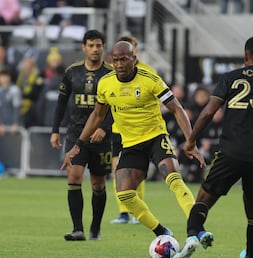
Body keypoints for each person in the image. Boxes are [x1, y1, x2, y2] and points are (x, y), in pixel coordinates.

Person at [171, 35, 253, 258]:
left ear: (245, 57)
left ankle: (193, 235)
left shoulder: (230, 78)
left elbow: (208, 112)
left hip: (231, 152)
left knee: (203, 198)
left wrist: (191, 140)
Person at [62, 41, 205, 238]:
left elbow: (177, 108)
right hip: (131, 144)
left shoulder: (150, 79)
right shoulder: (105, 83)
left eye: (124, 59)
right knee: (125, 194)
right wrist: (78, 144)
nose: (119, 64)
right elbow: (97, 115)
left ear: (134, 59)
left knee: (172, 177)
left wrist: (191, 141)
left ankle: (197, 228)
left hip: (155, 137)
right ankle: (162, 232)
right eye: (116, 60)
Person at [50, 29, 113, 241]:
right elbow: (61, 103)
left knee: (98, 183)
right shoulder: (72, 72)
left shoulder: (112, 74)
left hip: (101, 137)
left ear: (103, 47)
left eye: (98, 45)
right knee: (74, 176)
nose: (95, 49)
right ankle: (78, 229)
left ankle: (96, 228)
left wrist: (104, 127)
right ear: (84, 47)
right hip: (76, 134)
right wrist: (55, 130)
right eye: (91, 45)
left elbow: (118, 106)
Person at [109, 34, 156, 225]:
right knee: (117, 169)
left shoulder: (147, 71)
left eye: (133, 46)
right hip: (117, 129)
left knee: (137, 171)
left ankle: (138, 210)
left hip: (140, 131)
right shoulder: (113, 73)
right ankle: (123, 213)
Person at [0, 66, 22, 135]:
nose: (4, 78)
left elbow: (17, 108)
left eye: (6, 76)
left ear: (9, 77)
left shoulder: (15, 90)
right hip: (3, 127)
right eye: (2, 76)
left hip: (13, 127)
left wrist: (15, 123)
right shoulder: (0, 90)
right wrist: (0, 124)